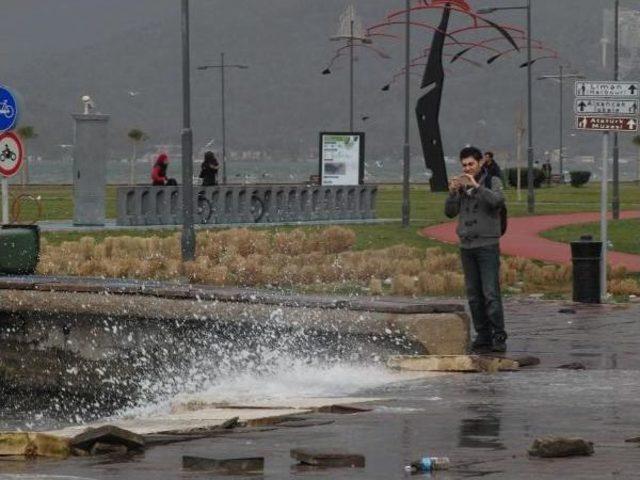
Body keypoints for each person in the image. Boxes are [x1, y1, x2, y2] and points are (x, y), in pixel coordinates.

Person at [445, 146, 508, 353]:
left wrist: (477, 187)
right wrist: (453, 193)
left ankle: (498, 335)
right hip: (467, 244)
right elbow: (450, 212)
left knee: (490, 292)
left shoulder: (492, 181)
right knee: (473, 294)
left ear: (480, 163)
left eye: (471, 164)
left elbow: (498, 201)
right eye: (464, 165)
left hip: (487, 244)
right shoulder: (461, 186)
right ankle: (482, 335)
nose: (467, 168)